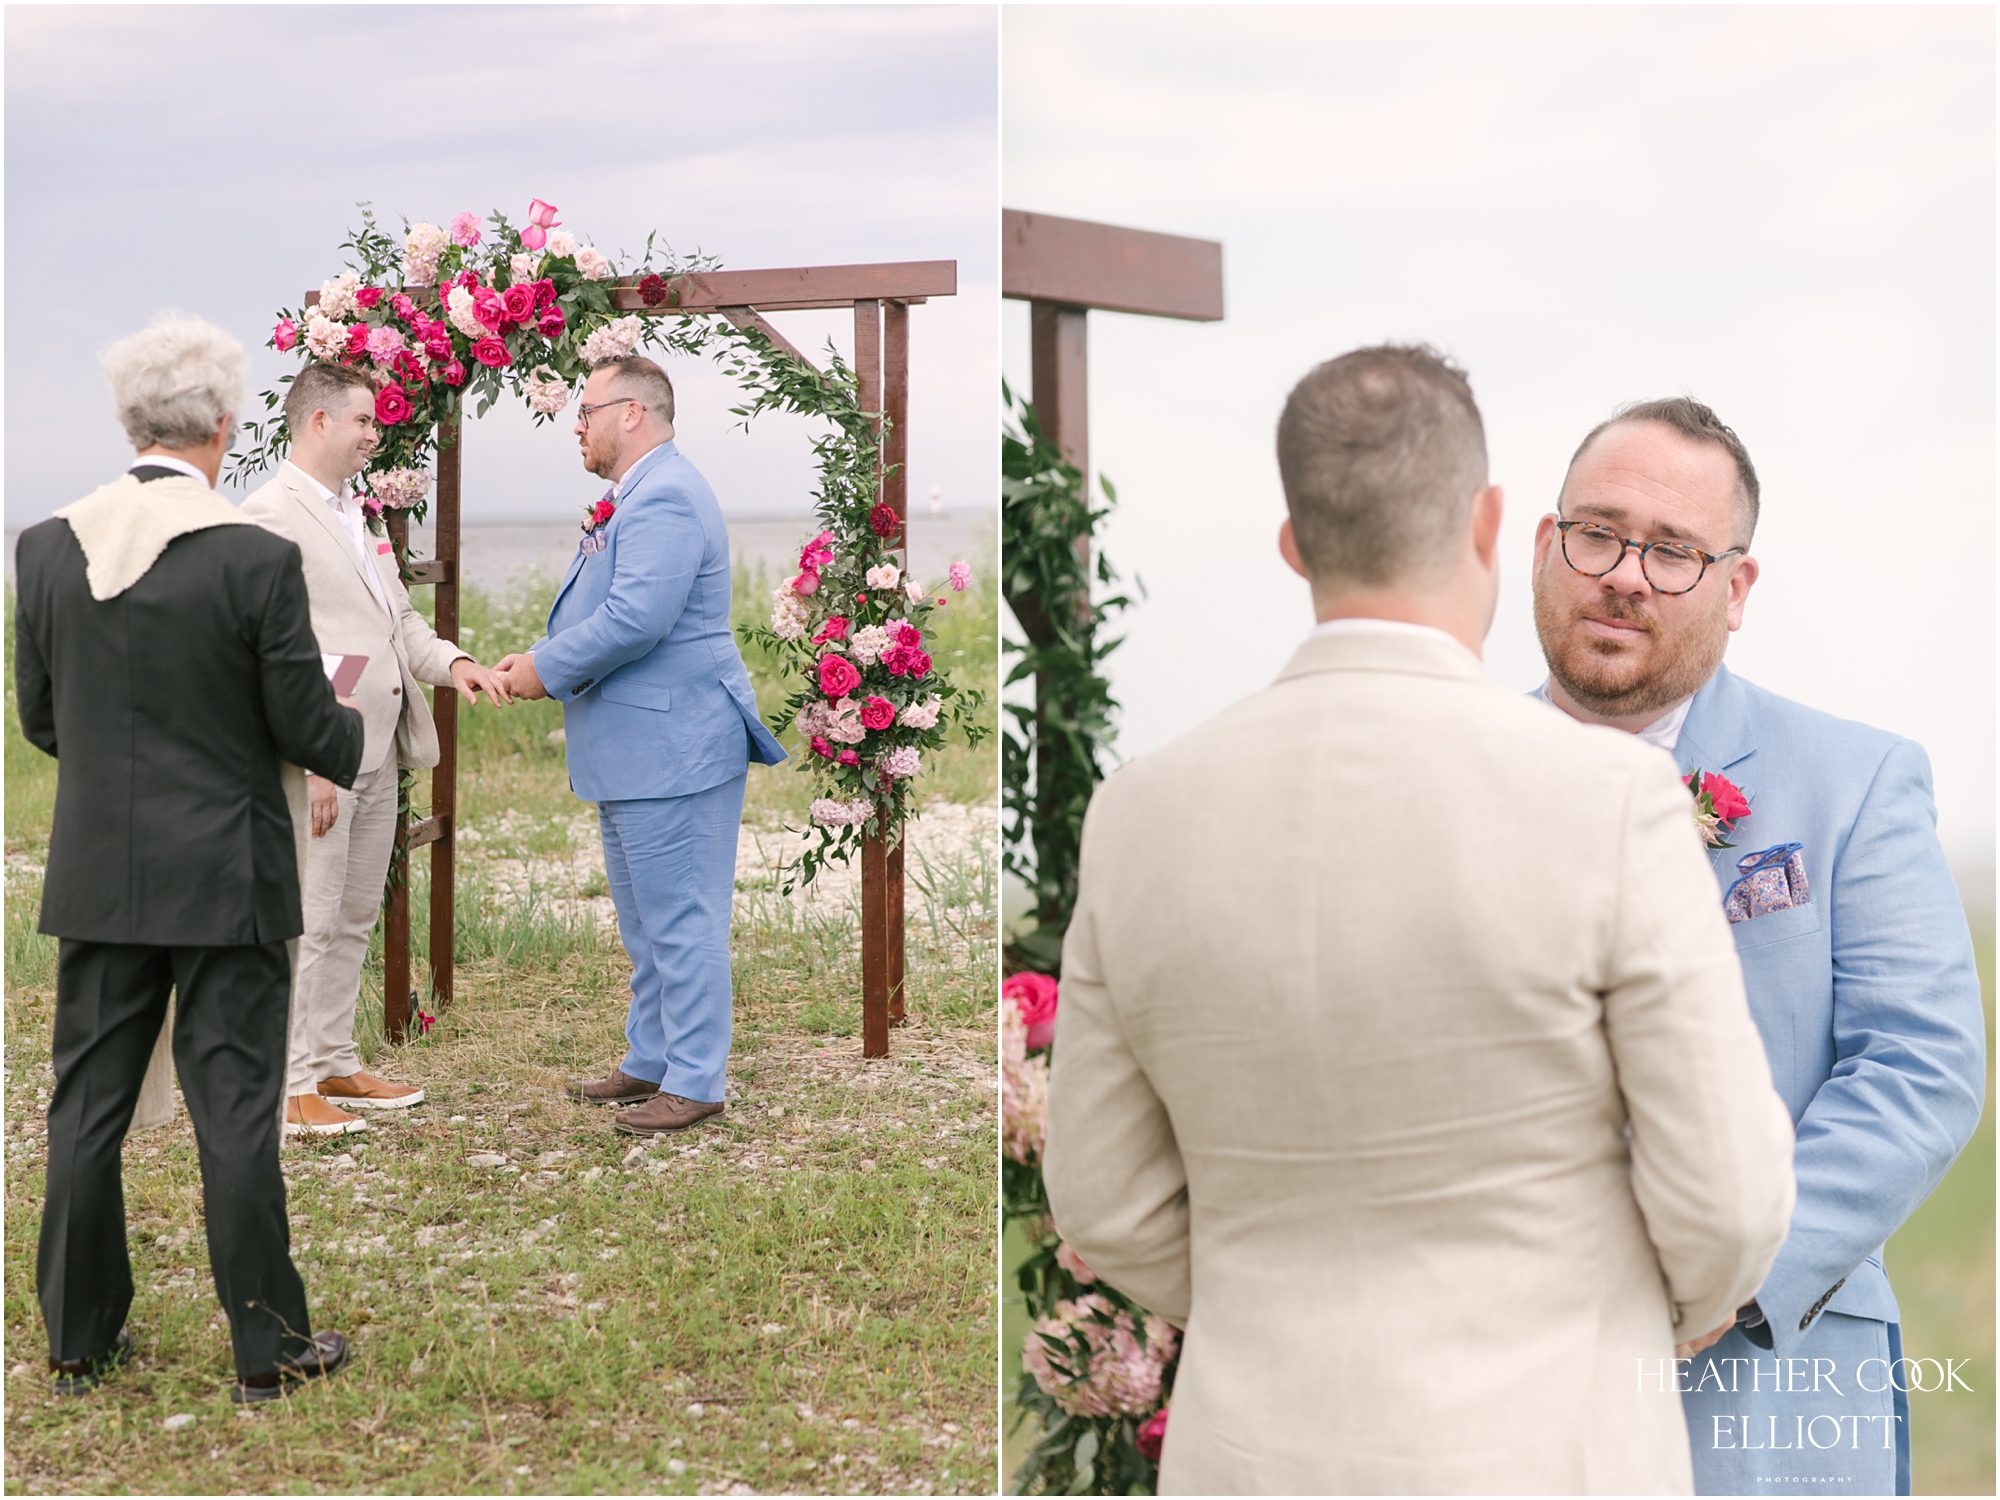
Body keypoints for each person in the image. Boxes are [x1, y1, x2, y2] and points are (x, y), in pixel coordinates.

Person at [1042, 345, 1797, 1494]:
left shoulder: (1138, 812)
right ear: (1491, 525)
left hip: (1249, 1455)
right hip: (1545, 1449)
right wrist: (1631, 1315)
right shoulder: (1608, 799)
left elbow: (1101, 1195)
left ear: (1292, 543)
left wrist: (1262, 1299)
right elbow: (1726, 1200)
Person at [1530, 397, 1986, 1496]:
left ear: (1735, 591)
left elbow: (1919, 1066)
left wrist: (1724, 1275)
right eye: (1597, 534)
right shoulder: (1446, 780)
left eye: (1673, 551)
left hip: (1763, 1397)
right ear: (1545, 546)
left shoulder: (1853, 782)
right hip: (1498, 1397)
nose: (1625, 575)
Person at [14, 313, 364, 1401]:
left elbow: (43, 719)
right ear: (221, 425)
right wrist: (349, 728)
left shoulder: (47, 546)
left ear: (132, 424)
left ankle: (77, 1340)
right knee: (235, 1113)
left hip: (101, 875)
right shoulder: (254, 558)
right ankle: (268, 1348)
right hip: (229, 877)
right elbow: (306, 723)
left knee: (86, 1110)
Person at [494, 355, 785, 1135]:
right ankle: (652, 1056)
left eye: (585, 411)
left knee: (682, 918)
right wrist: (540, 657)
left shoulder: (667, 497)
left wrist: (543, 671)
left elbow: (635, 620)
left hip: (674, 743)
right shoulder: (639, 495)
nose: (576, 428)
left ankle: (695, 1079)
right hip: (638, 745)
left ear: (632, 413)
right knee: (646, 922)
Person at [239, 360, 509, 1137]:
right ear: (318, 420)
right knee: (309, 915)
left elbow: (400, 624)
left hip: (379, 746)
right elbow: (260, 652)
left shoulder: (359, 516)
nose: (373, 435)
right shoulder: (268, 516)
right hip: (318, 754)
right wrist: (306, 754)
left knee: (355, 911)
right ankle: (290, 1084)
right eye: (362, 421)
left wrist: (457, 665)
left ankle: (333, 1060)